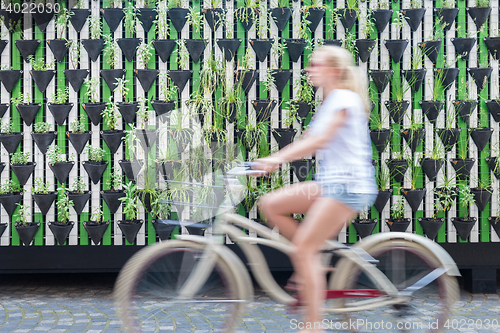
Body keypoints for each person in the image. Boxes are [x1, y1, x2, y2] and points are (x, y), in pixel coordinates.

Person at [252, 45, 378, 332]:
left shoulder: (344, 99)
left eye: (316, 65)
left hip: (348, 186)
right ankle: (314, 263)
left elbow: (319, 140)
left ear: (334, 70)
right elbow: (310, 139)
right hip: (329, 184)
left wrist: (276, 159)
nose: (310, 69)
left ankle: (312, 326)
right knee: (271, 204)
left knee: (305, 251)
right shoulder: (330, 99)